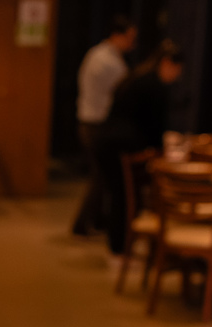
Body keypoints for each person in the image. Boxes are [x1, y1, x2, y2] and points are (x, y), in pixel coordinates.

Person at [95, 42, 185, 256]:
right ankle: (119, 249)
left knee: (120, 196)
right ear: (167, 63)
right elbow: (154, 126)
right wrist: (161, 152)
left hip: (106, 140)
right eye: (177, 70)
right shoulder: (154, 85)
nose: (177, 76)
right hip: (122, 146)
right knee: (125, 198)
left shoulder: (137, 76)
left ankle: (120, 246)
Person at [72, 15, 138, 237]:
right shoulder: (108, 62)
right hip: (97, 124)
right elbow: (124, 95)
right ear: (118, 36)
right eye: (130, 38)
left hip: (88, 120)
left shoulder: (97, 54)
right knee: (100, 177)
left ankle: (97, 221)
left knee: (100, 176)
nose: (132, 43)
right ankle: (82, 224)